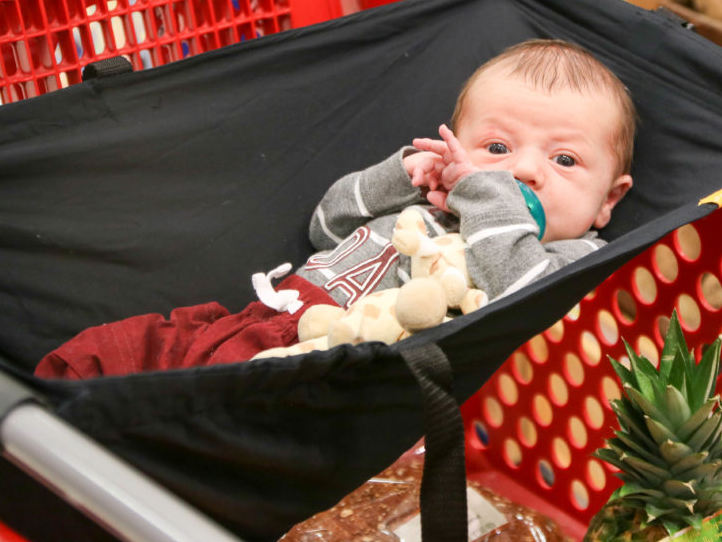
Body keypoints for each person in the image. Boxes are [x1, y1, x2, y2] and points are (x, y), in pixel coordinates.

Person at [36, 39, 636, 379]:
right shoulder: (427, 198)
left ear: (608, 201)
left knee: (187, 403)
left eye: (564, 161)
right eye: (497, 149)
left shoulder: (567, 253)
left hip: (330, 369)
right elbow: (323, 226)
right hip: (261, 317)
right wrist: (400, 177)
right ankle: (47, 417)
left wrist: (485, 189)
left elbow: (520, 291)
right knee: (122, 351)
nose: (524, 171)